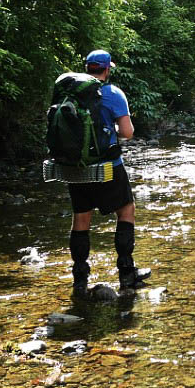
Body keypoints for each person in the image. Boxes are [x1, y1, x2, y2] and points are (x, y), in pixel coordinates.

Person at [66, 49, 150, 295]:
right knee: (126, 210)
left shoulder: (70, 94)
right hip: (107, 167)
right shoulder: (113, 94)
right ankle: (126, 274)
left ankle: (80, 280)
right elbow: (127, 132)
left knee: (81, 218)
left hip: (76, 168)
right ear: (107, 69)